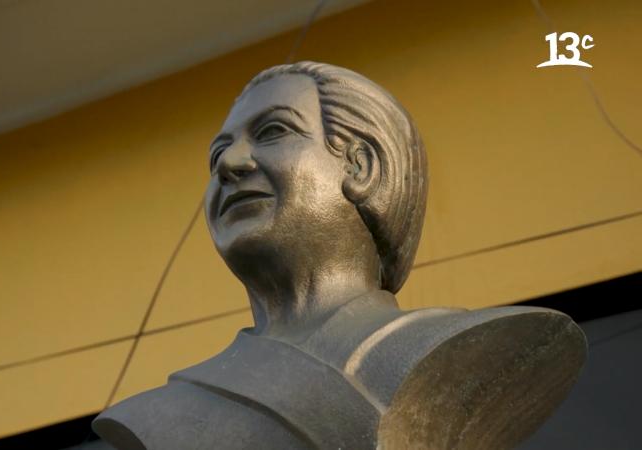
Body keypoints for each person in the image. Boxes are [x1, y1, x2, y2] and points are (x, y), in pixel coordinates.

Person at [93, 62, 586, 450]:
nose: (230, 164)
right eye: (217, 153)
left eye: (273, 132)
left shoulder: (468, 347)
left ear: (361, 167)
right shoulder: (165, 412)